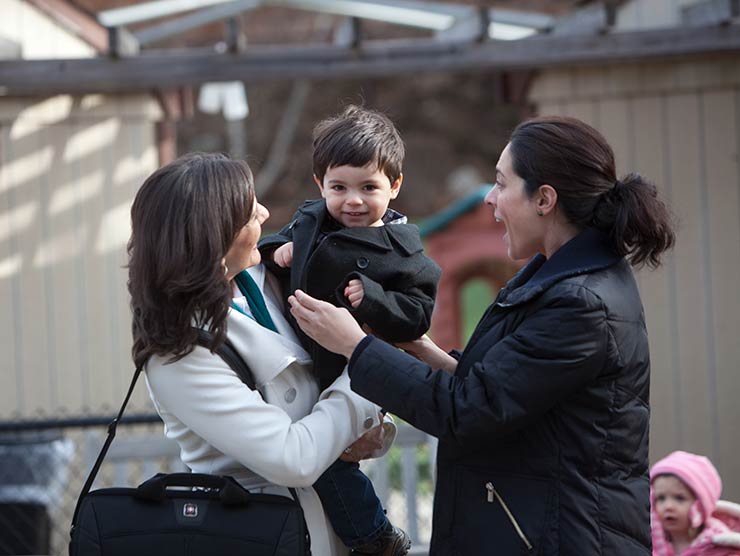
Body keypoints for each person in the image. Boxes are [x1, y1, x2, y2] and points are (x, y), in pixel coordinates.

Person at [288, 115, 677, 555]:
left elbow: (470, 409)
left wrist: (355, 347)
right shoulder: (561, 280)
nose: (491, 199)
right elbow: (498, 388)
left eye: (501, 183)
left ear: (544, 199)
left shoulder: (582, 304)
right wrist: (418, 348)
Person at [127, 152, 395, 556]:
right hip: (262, 536)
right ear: (212, 234)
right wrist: (365, 358)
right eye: (248, 210)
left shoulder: (268, 280)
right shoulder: (178, 354)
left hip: (331, 530)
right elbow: (292, 459)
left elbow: (322, 394)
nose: (265, 213)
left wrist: (364, 429)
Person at [259, 105, 437, 555]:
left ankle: (374, 536)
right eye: (338, 188)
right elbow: (263, 249)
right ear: (320, 184)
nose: (352, 201)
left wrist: (374, 298)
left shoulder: (403, 252)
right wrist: (279, 250)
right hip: (301, 367)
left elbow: (418, 316)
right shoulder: (310, 221)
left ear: (394, 186)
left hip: (353, 371)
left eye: (368, 188)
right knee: (322, 462)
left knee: (334, 464)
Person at [651, 450, 740, 556]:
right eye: (661, 498)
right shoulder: (648, 542)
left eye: (680, 498)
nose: (668, 506)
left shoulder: (720, 549)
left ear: (701, 505)